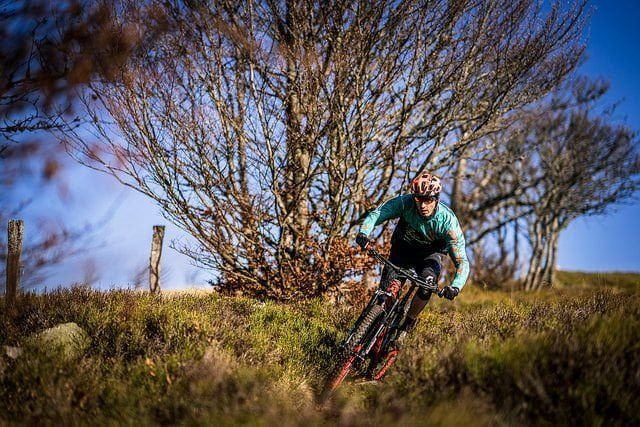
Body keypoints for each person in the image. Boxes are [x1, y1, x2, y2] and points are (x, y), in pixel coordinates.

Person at [355, 172, 470, 343]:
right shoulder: (405, 202)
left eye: (428, 200)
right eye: (419, 199)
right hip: (403, 250)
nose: (423, 205)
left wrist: (455, 287)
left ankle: (408, 324)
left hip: (429, 256)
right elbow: (377, 214)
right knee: (386, 293)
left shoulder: (448, 223)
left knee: (427, 285)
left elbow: (462, 261)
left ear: (436, 199)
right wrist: (363, 233)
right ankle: (369, 330)